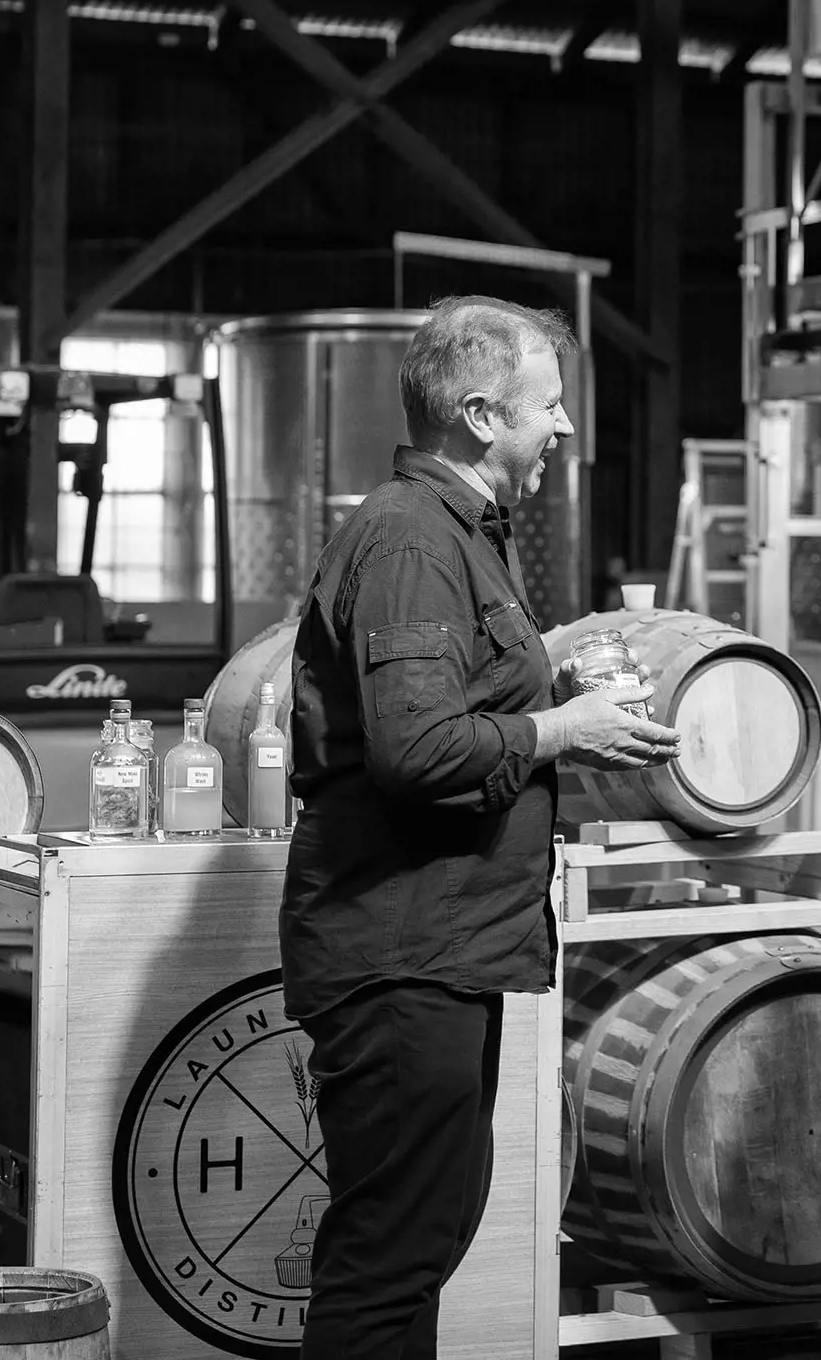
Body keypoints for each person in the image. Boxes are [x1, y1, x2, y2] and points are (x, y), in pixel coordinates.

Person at [281, 296, 681, 1359]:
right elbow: (415, 755)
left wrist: (558, 707)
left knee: (421, 1238)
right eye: (547, 406)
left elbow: (462, 716)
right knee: (392, 1255)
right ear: (476, 412)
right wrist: (559, 726)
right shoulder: (413, 541)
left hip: (441, 946)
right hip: (401, 948)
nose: (563, 428)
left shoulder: (459, 537)